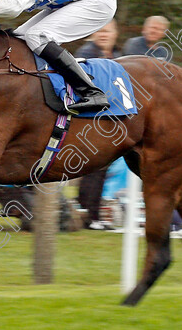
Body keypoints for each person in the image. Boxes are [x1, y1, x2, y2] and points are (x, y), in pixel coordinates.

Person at [73, 20, 120, 229]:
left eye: (107, 31)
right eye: (100, 31)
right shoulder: (86, 53)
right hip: (89, 119)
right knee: (94, 166)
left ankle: (92, 213)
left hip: (110, 118)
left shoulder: (118, 56)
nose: (103, 35)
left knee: (100, 168)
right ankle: (89, 214)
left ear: (115, 34)